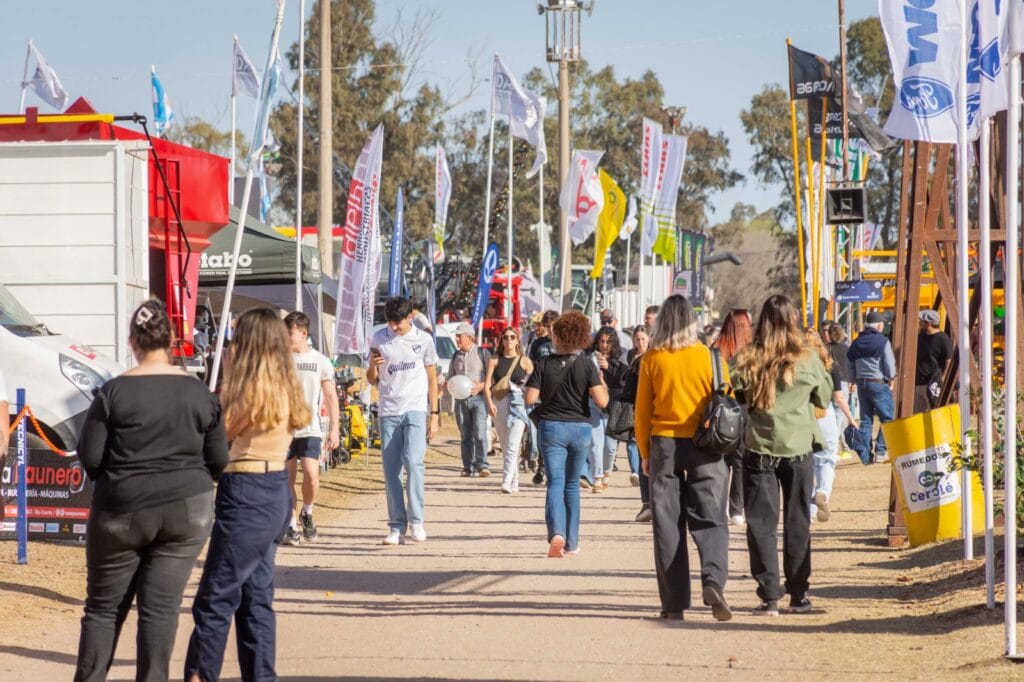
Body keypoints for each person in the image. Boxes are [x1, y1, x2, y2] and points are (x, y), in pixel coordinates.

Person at [75, 300, 228, 682]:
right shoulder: (199, 393)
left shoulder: (112, 393)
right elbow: (219, 459)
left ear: (132, 342)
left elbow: (91, 458)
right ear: (173, 341)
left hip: (121, 510)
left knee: (104, 609)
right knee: (160, 610)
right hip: (187, 511)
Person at [185, 308, 311, 681]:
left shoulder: (248, 389)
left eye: (236, 336)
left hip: (246, 490)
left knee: (215, 598)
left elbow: (215, 438)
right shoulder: (284, 384)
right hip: (273, 491)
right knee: (255, 599)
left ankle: (199, 675)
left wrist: (225, 377)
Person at [732, 295, 832, 617]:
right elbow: (823, 399)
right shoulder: (808, 358)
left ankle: (769, 595)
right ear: (793, 320)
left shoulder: (748, 357)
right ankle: (799, 595)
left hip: (760, 446)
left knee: (761, 525)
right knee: (797, 522)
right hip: (799, 447)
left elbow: (740, 395)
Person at [635, 294, 733, 622]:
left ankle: (674, 603)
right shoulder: (708, 356)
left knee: (667, 523)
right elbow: (727, 399)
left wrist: (645, 454)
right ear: (692, 321)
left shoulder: (652, 358)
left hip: (665, 444)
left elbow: (642, 414)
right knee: (711, 516)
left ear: (661, 321)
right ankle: (713, 580)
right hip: (705, 443)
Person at [526, 311, 609, 557]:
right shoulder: (586, 363)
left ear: (559, 336)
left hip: (551, 427)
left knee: (556, 482)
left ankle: (557, 533)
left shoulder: (543, 363)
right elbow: (602, 401)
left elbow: (530, 398)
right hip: (581, 429)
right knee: (572, 485)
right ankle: (572, 542)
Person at [367, 296, 440, 545]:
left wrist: (435, 415)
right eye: (390, 322)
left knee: (413, 461)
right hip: (388, 409)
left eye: (398, 323)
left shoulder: (424, 340)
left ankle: (417, 520)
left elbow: (432, 378)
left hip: (416, 408)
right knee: (391, 471)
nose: (394, 328)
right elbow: (371, 379)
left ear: (410, 317)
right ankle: (396, 525)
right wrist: (371, 365)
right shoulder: (379, 337)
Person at [282, 311, 340, 544]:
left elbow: (330, 395)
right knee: (286, 479)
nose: (286, 337)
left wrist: (334, 428)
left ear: (303, 333)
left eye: (290, 333)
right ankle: (290, 525)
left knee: (311, 475)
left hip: (310, 428)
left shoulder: (320, 361)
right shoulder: (279, 359)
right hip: (283, 430)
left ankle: (308, 512)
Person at [804, 328, 859, 523]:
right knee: (826, 460)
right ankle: (823, 492)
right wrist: (851, 419)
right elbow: (839, 398)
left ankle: (809, 512)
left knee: (806, 463)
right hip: (824, 414)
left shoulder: (797, 366)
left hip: (803, 417)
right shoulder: (829, 364)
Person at [712, 308, 754, 527]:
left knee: (718, 460)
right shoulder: (749, 354)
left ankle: (719, 507)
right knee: (739, 461)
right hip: (742, 410)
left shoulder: (715, 351)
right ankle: (737, 509)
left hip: (718, 409)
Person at [484, 325, 534, 493]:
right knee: (505, 445)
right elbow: (487, 385)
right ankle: (515, 479)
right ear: (501, 340)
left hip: (518, 405)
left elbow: (533, 384)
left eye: (512, 337)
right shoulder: (494, 359)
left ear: (517, 339)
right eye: (505, 337)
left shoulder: (525, 361)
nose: (509, 340)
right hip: (500, 403)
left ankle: (505, 481)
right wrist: (489, 403)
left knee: (513, 444)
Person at [847, 311, 896, 465]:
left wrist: (853, 379)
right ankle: (881, 451)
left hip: (862, 383)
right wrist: (891, 377)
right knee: (887, 418)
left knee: (866, 420)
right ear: (880, 325)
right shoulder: (882, 341)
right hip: (879, 383)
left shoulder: (856, 342)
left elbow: (849, 363)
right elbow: (889, 362)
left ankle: (866, 455)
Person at [586, 327, 628, 491]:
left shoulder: (620, 359)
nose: (604, 345)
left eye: (607, 342)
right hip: (593, 403)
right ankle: (596, 476)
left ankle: (607, 471)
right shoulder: (589, 357)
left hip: (613, 406)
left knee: (610, 448)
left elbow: (623, 382)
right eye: (601, 341)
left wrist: (609, 367)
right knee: (595, 443)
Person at [450, 323, 492, 476]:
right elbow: (451, 377)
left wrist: (481, 386)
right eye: (457, 336)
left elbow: (491, 376)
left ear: (469, 337)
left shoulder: (483, 353)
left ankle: (483, 465)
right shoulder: (456, 356)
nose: (457, 339)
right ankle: (468, 466)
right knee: (465, 434)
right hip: (461, 401)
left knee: (480, 432)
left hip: (478, 399)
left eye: (459, 336)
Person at [622, 325, 651, 521]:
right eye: (637, 339)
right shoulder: (662, 360)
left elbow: (628, 393)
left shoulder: (641, 362)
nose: (640, 342)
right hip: (663, 418)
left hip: (644, 415)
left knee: (646, 460)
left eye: (643, 338)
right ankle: (653, 503)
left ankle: (649, 503)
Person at [526, 310, 559, 480]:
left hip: (560, 394)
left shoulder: (565, 344)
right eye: (548, 326)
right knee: (540, 432)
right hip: (541, 393)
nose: (551, 329)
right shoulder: (538, 344)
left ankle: (552, 468)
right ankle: (541, 465)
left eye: (553, 326)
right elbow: (531, 365)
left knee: (556, 433)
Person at [914, 309, 953, 414]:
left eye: (921, 321)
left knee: (936, 413)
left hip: (933, 383)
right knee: (917, 415)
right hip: (918, 383)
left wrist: (943, 378)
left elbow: (949, 360)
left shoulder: (943, 338)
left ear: (929, 323)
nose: (919, 322)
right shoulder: (921, 337)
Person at [825, 322, 857, 439]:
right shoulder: (846, 349)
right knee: (839, 417)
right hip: (843, 383)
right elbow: (852, 367)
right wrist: (853, 382)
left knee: (831, 415)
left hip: (828, 384)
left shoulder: (826, 349)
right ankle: (833, 443)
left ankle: (830, 442)